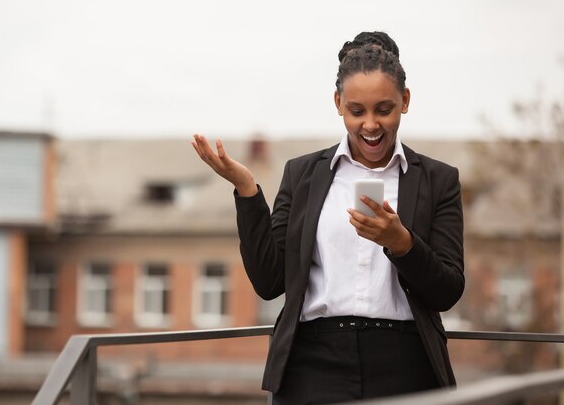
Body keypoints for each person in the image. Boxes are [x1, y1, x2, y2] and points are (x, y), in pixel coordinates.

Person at [191, 31, 464, 405]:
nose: (370, 124)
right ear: (338, 104)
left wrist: (403, 244)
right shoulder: (302, 174)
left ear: (405, 101)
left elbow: (448, 290)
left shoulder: (439, 180)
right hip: (312, 366)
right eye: (357, 111)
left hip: (406, 365)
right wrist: (247, 189)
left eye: (384, 109)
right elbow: (270, 281)